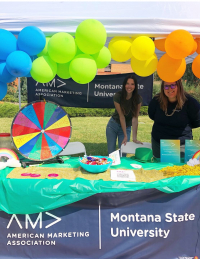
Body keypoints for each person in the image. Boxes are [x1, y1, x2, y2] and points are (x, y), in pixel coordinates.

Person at [148, 79, 200, 158]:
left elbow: (197, 121)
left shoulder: (190, 102)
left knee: (181, 169)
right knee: (159, 169)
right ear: (162, 88)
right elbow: (152, 115)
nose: (169, 89)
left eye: (173, 85)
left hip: (182, 146)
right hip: (158, 144)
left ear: (179, 86)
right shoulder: (156, 101)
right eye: (166, 86)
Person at [106, 74, 143, 155]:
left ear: (135, 86)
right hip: (113, 125)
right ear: (124, 85)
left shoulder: (138, 99)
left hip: (126, 127)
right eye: (127, 83)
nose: (129, 86)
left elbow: (135, 118)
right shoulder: (118, 96)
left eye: (132, 84)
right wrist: (126, 136)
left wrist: (134, 138)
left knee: (123, 153)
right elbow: (121, 116)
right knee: (111, 153)